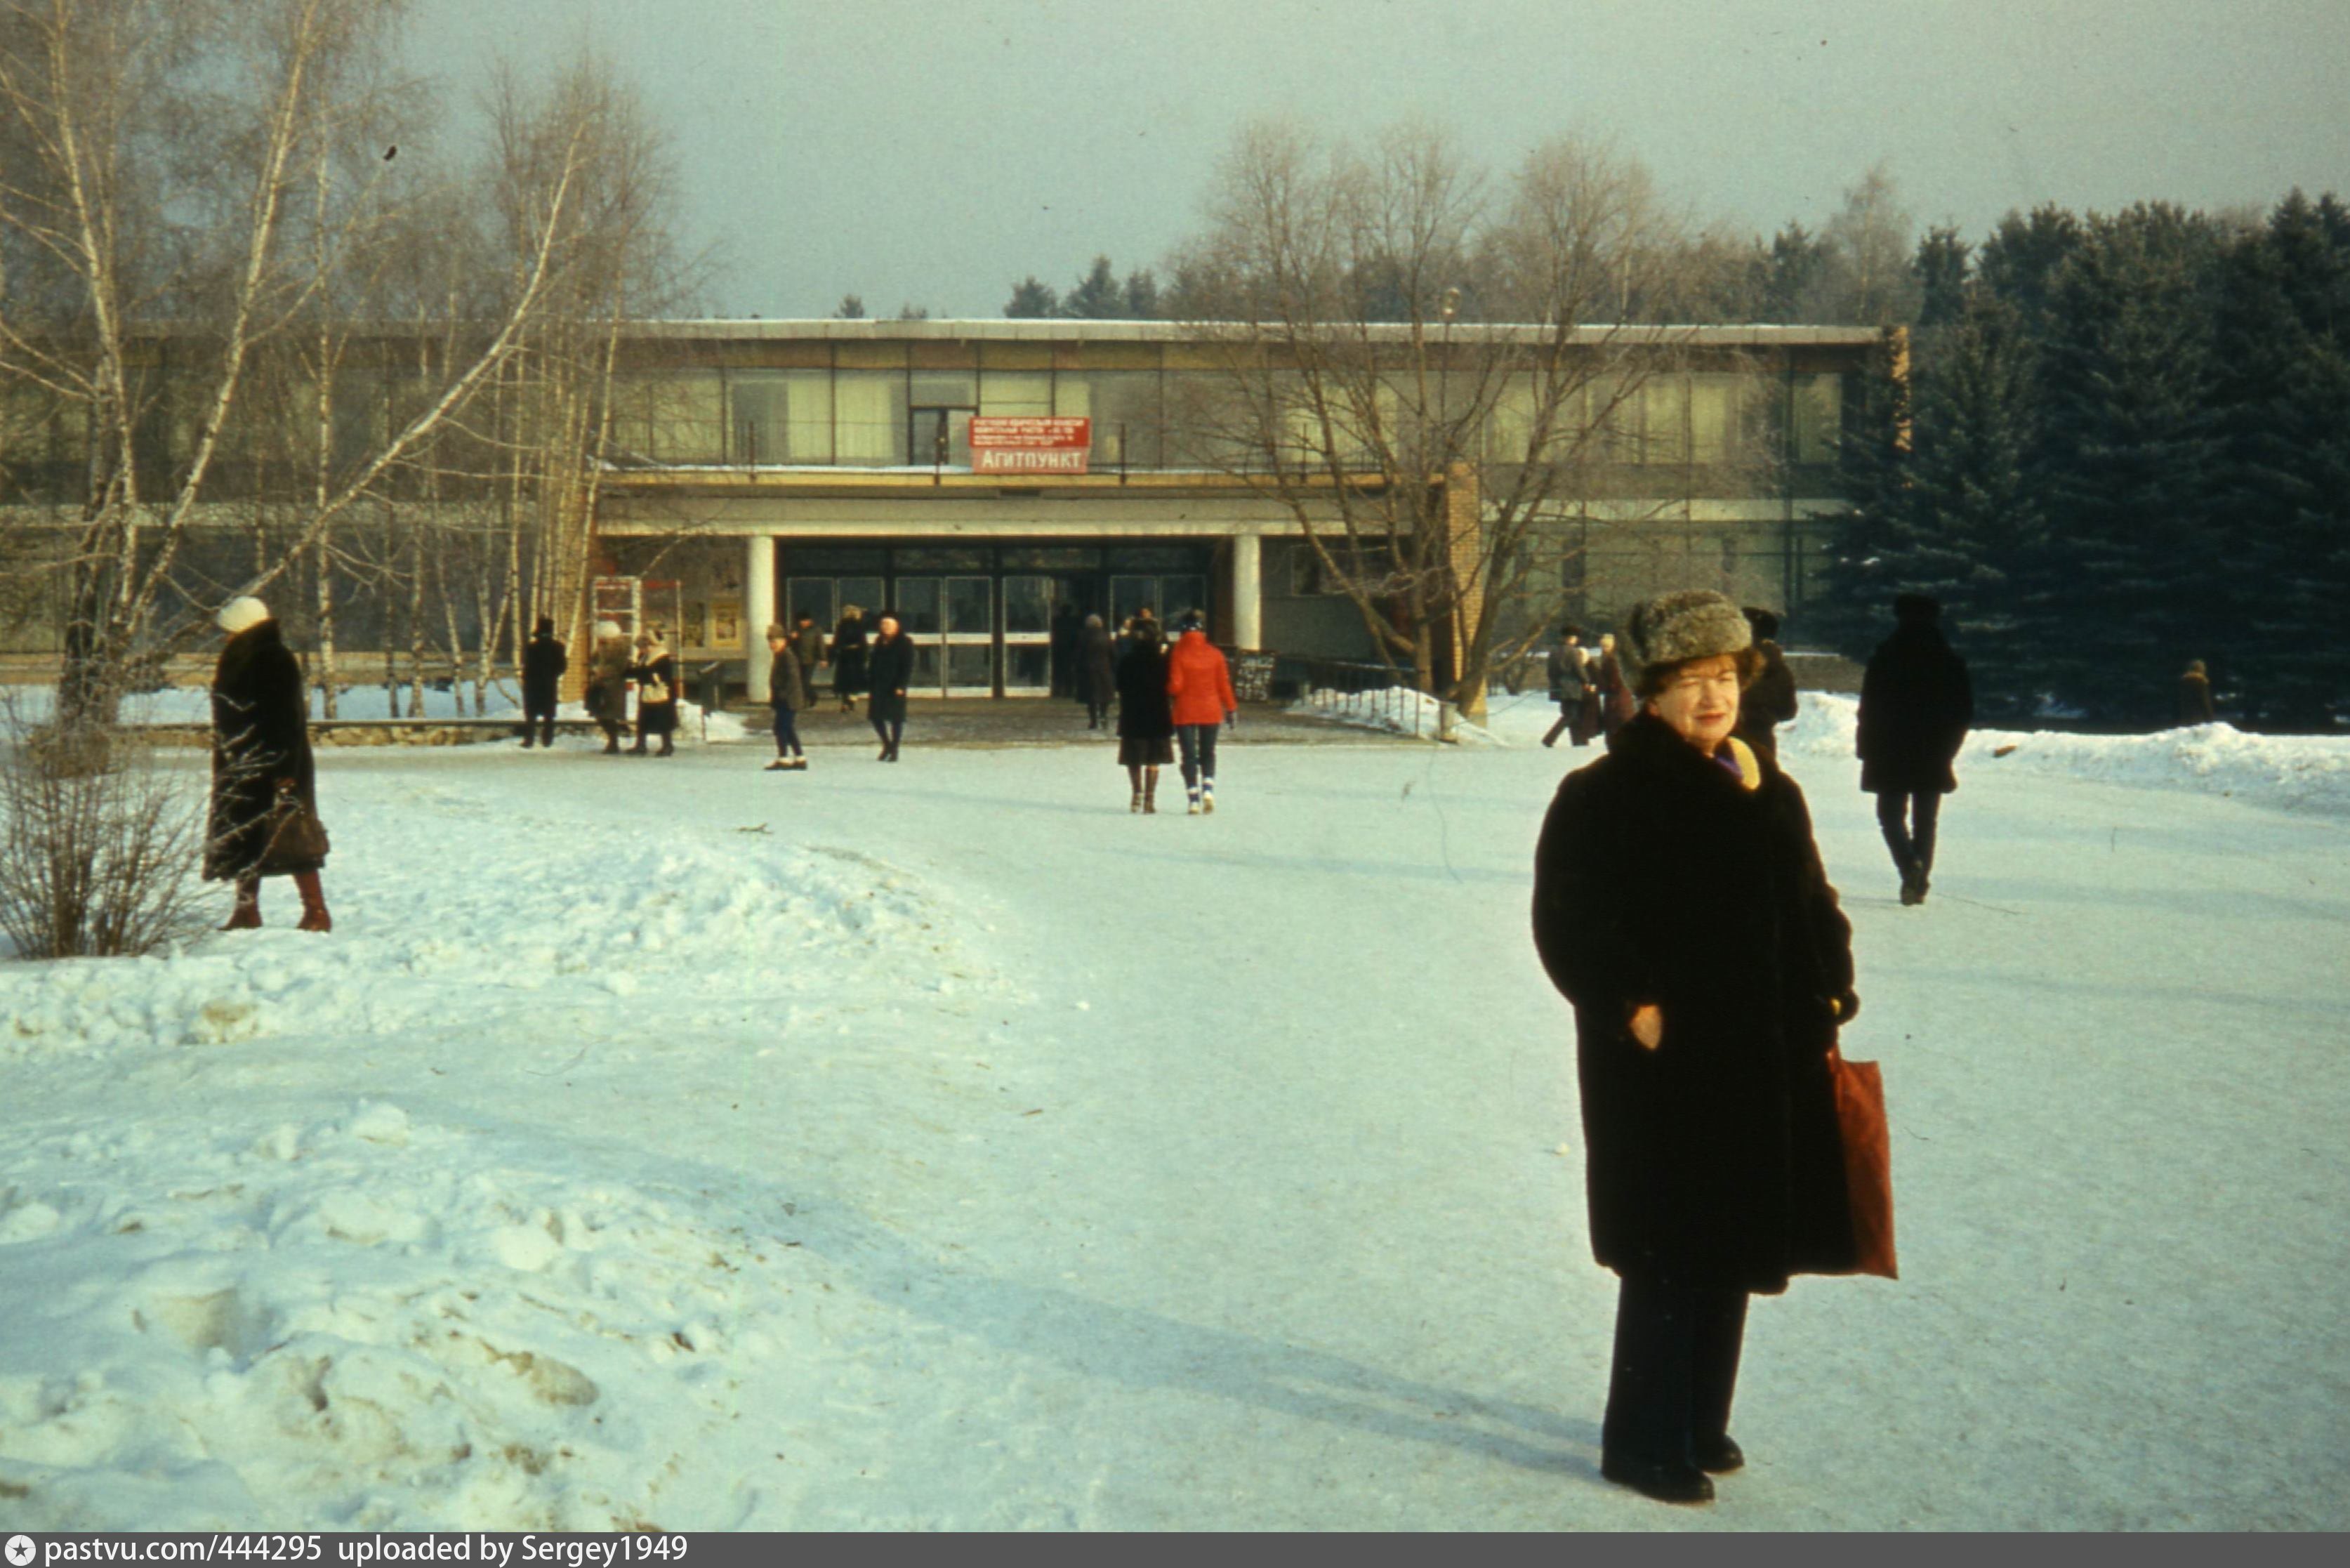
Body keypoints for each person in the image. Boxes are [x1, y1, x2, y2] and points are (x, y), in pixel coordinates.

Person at [1531, 589, 1859, 1507]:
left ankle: (1697, 1421)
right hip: (1663, 1066)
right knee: (1667, 1247)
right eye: (1689, 683)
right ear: (1651, 692)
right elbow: (1567, 920)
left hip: (1762, 1053)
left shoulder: (1767, 789)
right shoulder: (1601, 794)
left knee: (1733, 1239)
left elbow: (1812, 903)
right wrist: (1629, 1005)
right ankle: (1639, 1439)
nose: (1711, 699)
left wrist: (1830, 986)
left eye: (1723, 677)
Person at [207, 595, 331, 933]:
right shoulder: (239, 658)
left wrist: (285, 773)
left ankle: (316, 912)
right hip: (242, 765)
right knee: (244, 837)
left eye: (230, 629)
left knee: (291, 836)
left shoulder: (274, 660)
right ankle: (247, 912)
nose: (225, 636)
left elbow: (286, 720)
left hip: (274, 764)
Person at [1856, 593, 1974, 907]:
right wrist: (1950, 746)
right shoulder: (1949, 660)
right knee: (1926, 819)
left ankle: (1910, 867)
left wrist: (1865, 748)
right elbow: (1963, 711)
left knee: (1889, 815)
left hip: (1889, 748)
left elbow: (1868, 708)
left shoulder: (1885, 656)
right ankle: (1918, 883)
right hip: (1933, 749)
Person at [1165, 612, 1237, 815]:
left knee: (1189, 755)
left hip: (1185, 710)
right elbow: (1224, 685)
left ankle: (1193, 798)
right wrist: (1231, 707)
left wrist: (1168, 688)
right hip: (1211, 709)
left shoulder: (1178, 653)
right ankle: (1208, 789)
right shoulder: (1215, 654)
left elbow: (1176, 686)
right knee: (1208, 752)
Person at [1116, 616, 1174, 812]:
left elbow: (1120, 685)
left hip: (1133, 714)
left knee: (1133, 757)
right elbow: (1170, 686)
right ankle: (1150, 798)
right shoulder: (1162, 661)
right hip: (1158, 713)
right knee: (1153, 759)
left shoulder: (1128, 660)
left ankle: (1137, 794)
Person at [1734, 607, 1799, 763]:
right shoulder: (1779, 668)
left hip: (1729, 740)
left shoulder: (1731, 665)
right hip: (1763, 742)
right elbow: (1788, 711)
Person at [865, 610, 913, 761]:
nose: (885, 627)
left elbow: (907, 666)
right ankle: (887, 744)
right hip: (879, 685)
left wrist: (901, 685)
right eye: (883, 624)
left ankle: (895, 748)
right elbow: (873, 662)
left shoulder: (905, 643)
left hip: (895, 686)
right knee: (876, 717)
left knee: (896, 719)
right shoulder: (879, 641)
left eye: (888, 624)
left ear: (897, 626)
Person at [627, 627, 680, 758]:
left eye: (641, 647)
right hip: (648, 692)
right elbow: (641, 671)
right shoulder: (645, 656)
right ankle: (641, 745)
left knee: (662, 720)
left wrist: (644, 675)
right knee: (643, 720)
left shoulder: (661, 657)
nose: (640, 650)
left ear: (650, 645)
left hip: (661, 693)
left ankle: (667, 745)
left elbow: (659, 675)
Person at [764, 622, 810, 772]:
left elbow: (793, 678)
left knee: (781, 728)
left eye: (775, 642)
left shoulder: (787, 656)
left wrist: (783, 694)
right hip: (785, 699)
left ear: (783, 641)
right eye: (770, 642)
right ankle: (800, 758)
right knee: (787, 728)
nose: (772, 645)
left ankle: (784, 758)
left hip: (788, 700)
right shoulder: (781, 655)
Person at [582, 621, 632, 754]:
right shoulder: (602, 647)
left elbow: (618, 667)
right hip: (601, 685)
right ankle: (613, 740)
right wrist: (594, 667)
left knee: (608, 714)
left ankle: (614, 741)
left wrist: (601, 671)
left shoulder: (620, 648)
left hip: (613, 686)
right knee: (600, 713)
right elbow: (594, 659)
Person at [520, 614, 567, 749]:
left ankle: (529, 739)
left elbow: (527, 666)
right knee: (548, 714)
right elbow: (562, 666)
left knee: (531, 714)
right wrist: (553, 675)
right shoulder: (558, 647)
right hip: (548, 684)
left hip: (533, 684)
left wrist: (527, 678)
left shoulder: (532, 648)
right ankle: (547, 739)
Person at [1541, 627, 1590, 749]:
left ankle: (1579, 741)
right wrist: (1586, 681)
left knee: (1571, 714)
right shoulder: (1572, 652)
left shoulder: (1554, 651)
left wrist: (1556, 682)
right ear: (1572, 638)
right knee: (1570, 715)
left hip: (1558, 687)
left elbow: (1550, 671)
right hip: (1572, 687)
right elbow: (1579, 669)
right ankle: (1549, 739)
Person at [1079, 613, 1117, 730]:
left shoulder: (1084, 637)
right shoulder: (1106, 636)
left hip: (1088, 670)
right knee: (1104, 696)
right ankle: (1103, 716)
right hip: (1104, 669)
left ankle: (1093, 720)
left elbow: (1079, 654)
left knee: (1091, 697)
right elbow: (1113, 654)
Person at [1595, 631, 1635, 739]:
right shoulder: (1611, 660)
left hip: (1617, 701)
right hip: (1619, 700)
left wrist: (1598, 684)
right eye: (1602, 646)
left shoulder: (1612, 661)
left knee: (1616, 729)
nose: (1604, 649)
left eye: (1606, 646)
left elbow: (1614, 683)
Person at [831, 605, 869, 713]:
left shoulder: (841, 626)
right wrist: (865, 657)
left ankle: (845, 702)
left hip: (844, 656)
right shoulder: (860, 626)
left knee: (844, 681)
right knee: (855, 681)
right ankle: (851, 701)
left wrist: (832, 656)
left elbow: (836, 642)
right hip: (856, 657)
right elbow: (863, 643)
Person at [791, 612, 830, 697]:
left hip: (810, 659)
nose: (803, 623)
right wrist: (792, 638)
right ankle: (804, 700)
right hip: (798, 659)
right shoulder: (796, 630)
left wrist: (823, 659)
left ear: (810, 621)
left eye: (805, 621)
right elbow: (790, 646)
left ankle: (812, 696)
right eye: (802, 621)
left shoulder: (816, 630)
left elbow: (821, 645)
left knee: (806, 681)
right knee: (800, 681)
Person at [2179, 659, 2216, 725]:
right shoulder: (2201, 682)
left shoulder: (2184, 682)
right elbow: (2204, 701)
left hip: (2186, 716)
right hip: (2200, 717)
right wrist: (2210, 718)